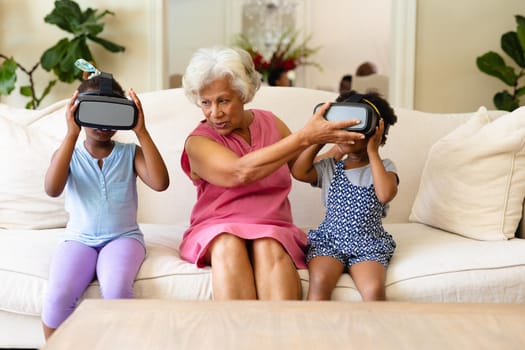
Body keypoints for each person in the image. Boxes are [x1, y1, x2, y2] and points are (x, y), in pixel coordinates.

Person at [179, 46, 364, 300]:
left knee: (268, 243)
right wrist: (304, 136)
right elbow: (239, 172)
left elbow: (302, 168)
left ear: (243, 94)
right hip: (216, 227)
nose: (215, 113)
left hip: (271, 225)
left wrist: (335, 146)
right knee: (227, 244)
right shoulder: (197, 143)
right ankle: (235, 336)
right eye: (205, 103)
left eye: (223, 100)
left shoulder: (270, 122)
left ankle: (283, 335)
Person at [42, 75, 170, 339]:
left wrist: (141, 131)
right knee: (57, 296)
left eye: (109, 113)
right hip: (78, 239)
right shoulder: (69, 154)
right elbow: (52, 189)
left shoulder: (130, 153)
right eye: (93, 112)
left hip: (123, 238)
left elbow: (160, 183)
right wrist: (71, 133)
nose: (101, 124)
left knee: (116, 291)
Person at [291, 91, 398, 301]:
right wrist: (320, 137)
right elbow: (299, 171)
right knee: (320, 282)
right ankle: (315, 332)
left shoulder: (384, 167)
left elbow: (385, 194)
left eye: (353, 127)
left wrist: (373, 151)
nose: (345, 134)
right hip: (330, 241)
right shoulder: (331, 166)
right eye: (340, 128)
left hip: (368, 243)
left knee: (374, 290)